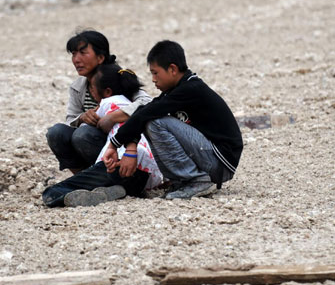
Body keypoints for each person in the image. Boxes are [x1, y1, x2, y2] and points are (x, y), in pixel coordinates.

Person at [103, 40, 243, 200]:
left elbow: (148, 114)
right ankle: (184, 180)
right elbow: (144, 110)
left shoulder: (190, 89)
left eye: (155, 73)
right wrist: (131, 146)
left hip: (219, 161)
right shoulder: (178, 88)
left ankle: (196, 180)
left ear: (172, 69)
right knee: (151, 118)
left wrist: (114, 144)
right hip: (210, 157)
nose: (153, 79)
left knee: (155, 122)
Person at [43, 63, 161, 207]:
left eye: (92, 88)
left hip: (121, 163)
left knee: (54, 191)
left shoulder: (107, 103)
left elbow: (82, 129)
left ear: (107, 92)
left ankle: (61, 195)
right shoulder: (133, 105)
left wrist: (86, 117)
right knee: (108, 180)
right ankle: (115, 191)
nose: (90, 91)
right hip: (148, 175)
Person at [46, 30, 152, 175]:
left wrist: (113, 117)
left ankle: (111, 175)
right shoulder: (78, 87)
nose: (76, 59)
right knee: (56, 133)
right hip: (92, 141)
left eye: (83, 53)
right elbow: (71, 118)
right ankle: (82, 176)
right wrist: (83, 117)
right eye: (74, 54)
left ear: (100, 57)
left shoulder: (116, 78)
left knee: (82, 134)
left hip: (124, 144)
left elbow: (148, 103)